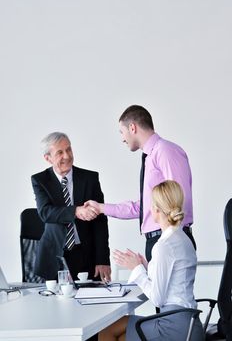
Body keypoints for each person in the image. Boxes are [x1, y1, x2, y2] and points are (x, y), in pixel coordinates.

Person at [85, 105, 196, 261]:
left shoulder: (165, 151)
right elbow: (144, 207)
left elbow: (178, 198)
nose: (122, 138)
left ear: (132, 128)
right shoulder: (150, 157)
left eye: (122, 132)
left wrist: (169, 240)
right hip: (158, 240)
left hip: (170, 240)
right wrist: (101, 208)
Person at [98, 180, 204, 341]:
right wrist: (147, 267)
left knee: (106, 332)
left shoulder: (164, 245)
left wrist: (137, 269)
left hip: (174, 326)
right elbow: (174, 277)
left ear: (156, 209)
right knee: (117, 333)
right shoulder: (182, 237)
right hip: (188, 322)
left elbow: (157, 298)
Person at [31, 132, 111, 282]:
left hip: (86, 255)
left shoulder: (90, 178)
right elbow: (45, 212)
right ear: (48, 158)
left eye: (68, 149)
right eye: (60, 152)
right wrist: (76, 211)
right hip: (53, 256)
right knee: (50, 304)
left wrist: (103, 259)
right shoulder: (40, 180)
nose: (67, 156)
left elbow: (100, 222)